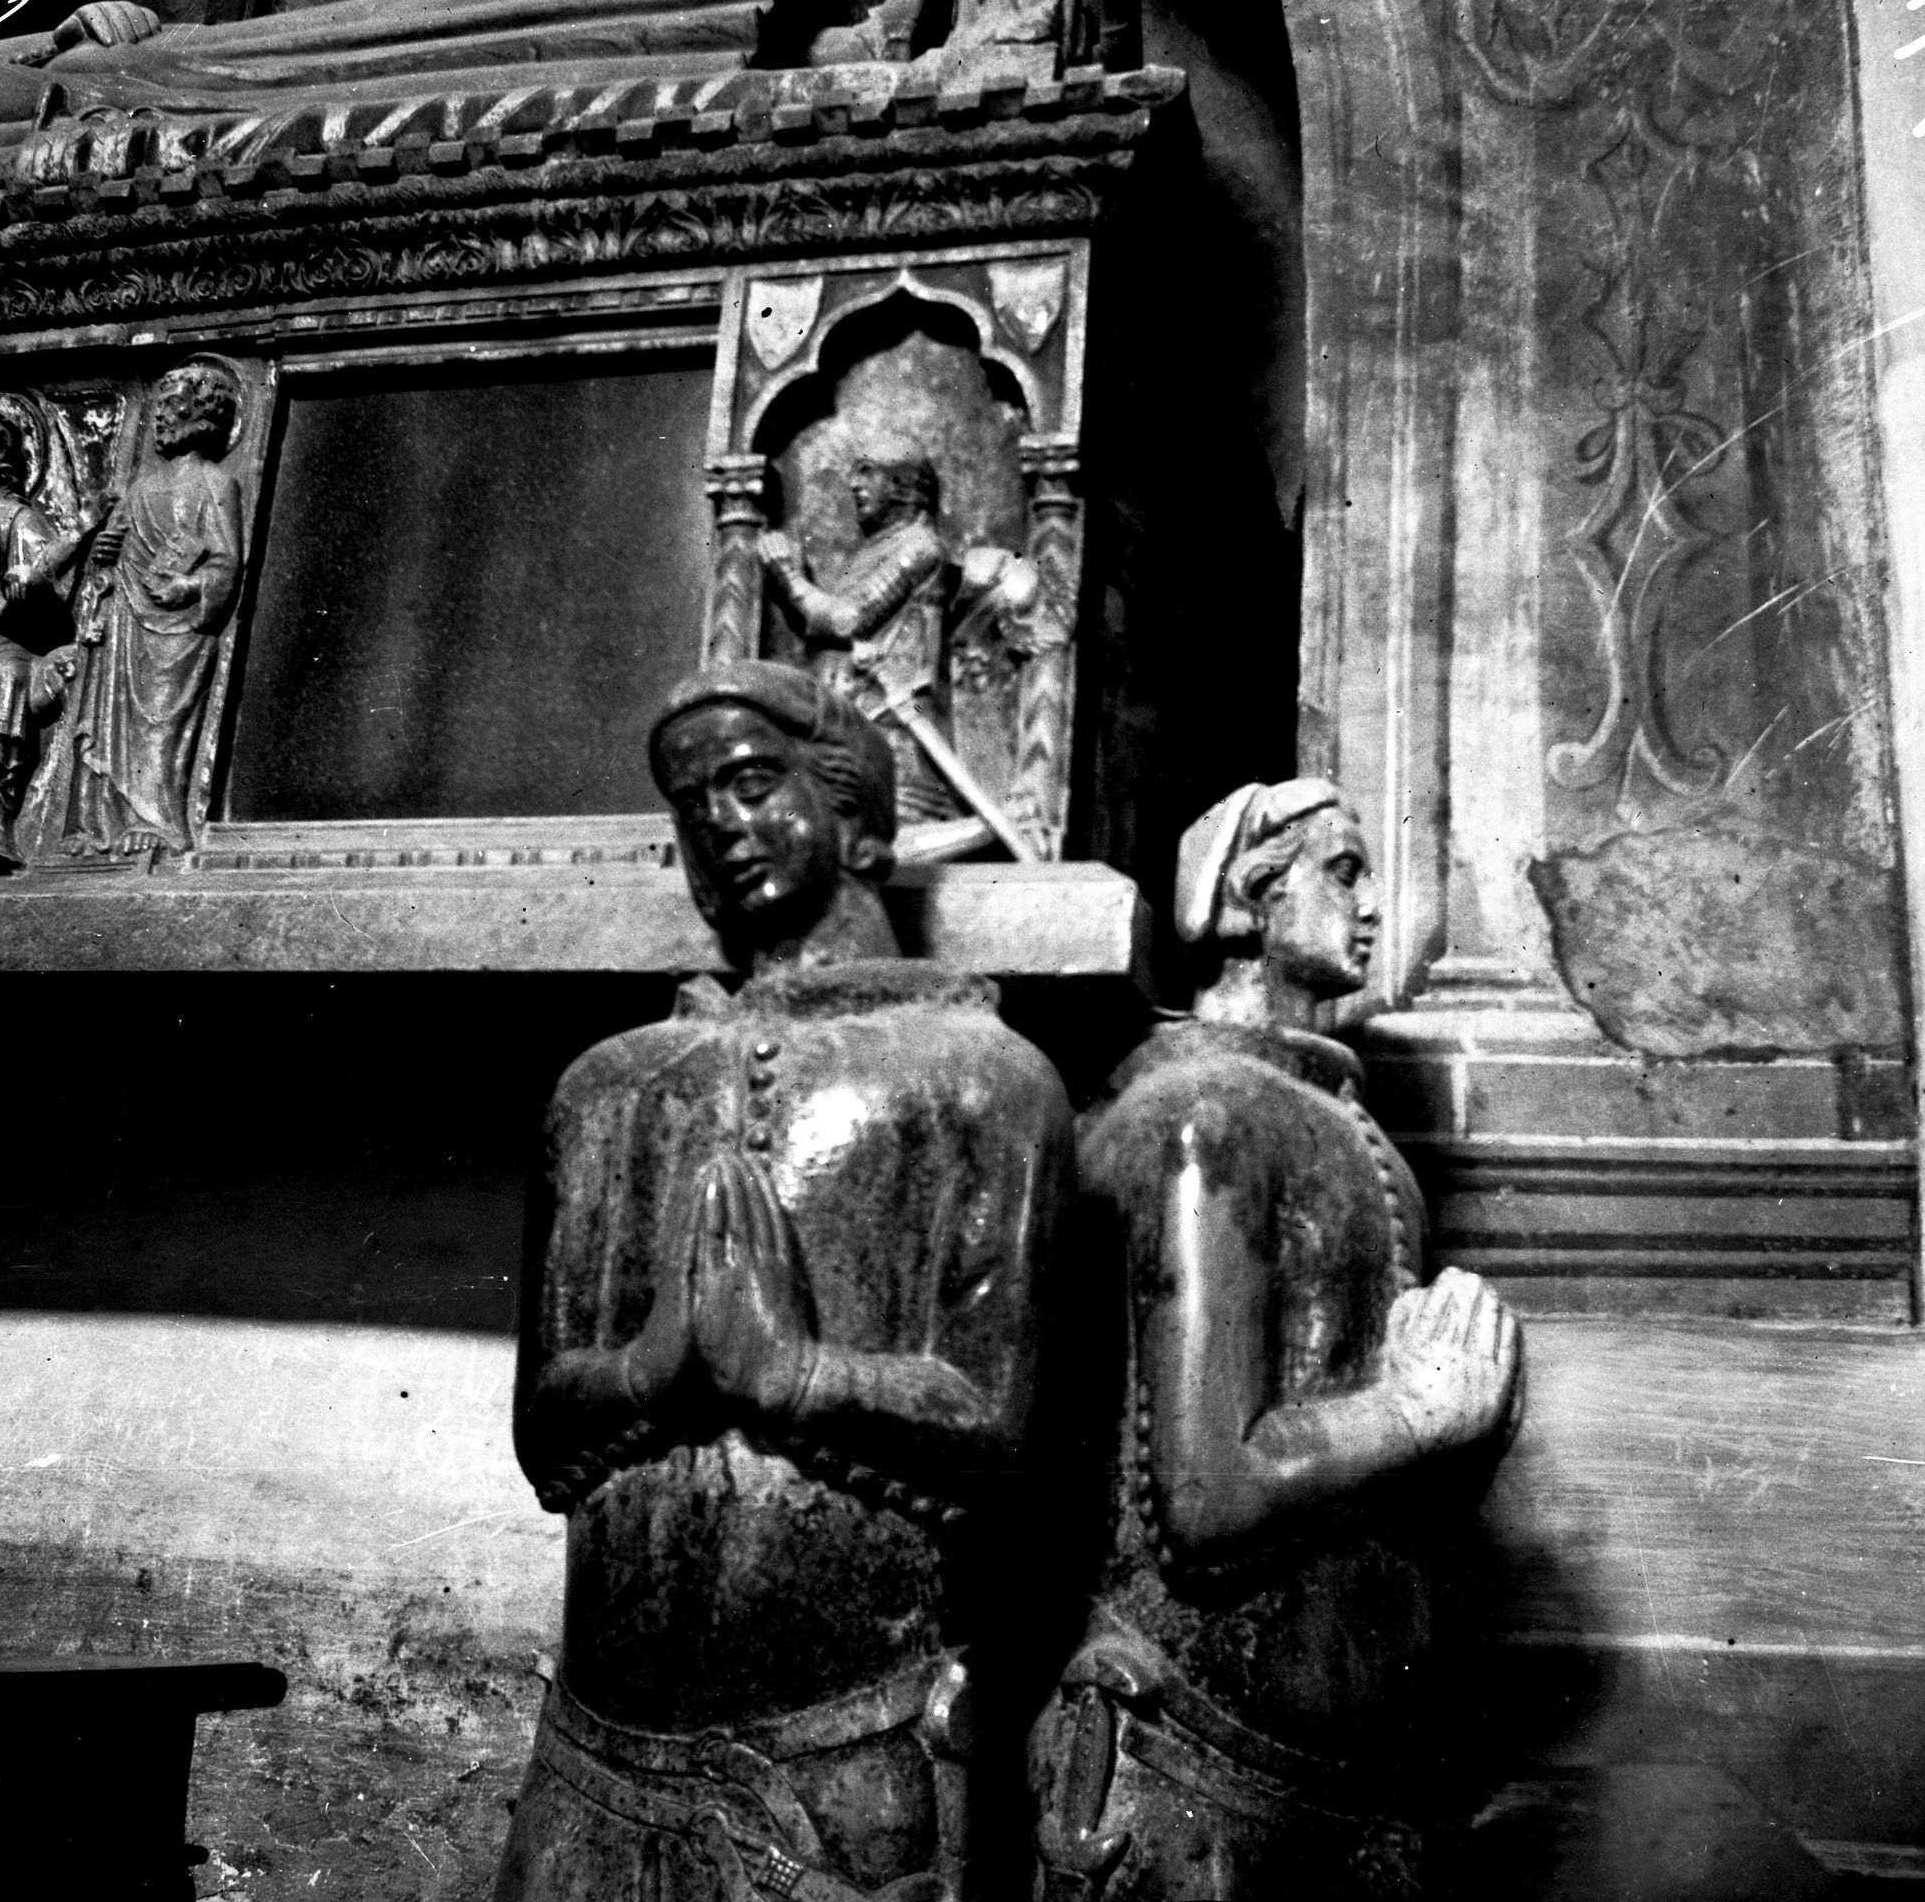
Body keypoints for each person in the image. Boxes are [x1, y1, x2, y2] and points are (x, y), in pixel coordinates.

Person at [495, 661, 1074, 1900]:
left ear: (857, 811)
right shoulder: (610, 1090)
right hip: (595, 1750)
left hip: (845, 1751)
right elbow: (544, 1430)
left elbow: (999, 1429)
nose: (718, 822)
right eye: (692, 805)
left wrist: (794, 1372)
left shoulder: (982, 1080)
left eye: (754, 783)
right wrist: (654, 1364)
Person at [1034, 780, 1524, 1900]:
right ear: (1251, 897)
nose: (1370, 906)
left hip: (1343, 1773)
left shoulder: (1346, 1137)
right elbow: (1205, 1500)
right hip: (1199, 1769)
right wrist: (1416, 1412)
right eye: (1341, 870)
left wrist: (1469, 1418)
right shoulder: (1207, 1115)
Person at [60, 361, 243, 861]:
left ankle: (156, 819)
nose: (161, 417)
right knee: (109, 717)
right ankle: (101, 821)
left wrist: (190, 585)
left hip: (178, 626)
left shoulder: (215, 482)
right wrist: (104, 557)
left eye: (171, 406)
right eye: (158, 407)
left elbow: (226, 561)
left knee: (162, 718)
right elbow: (112, 553)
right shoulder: (140, 486)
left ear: (202, 415)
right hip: (126, 617)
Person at [758, 437, 961, 826]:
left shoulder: (920, 547)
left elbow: (848, 620)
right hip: (846, 733)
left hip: (893, 740)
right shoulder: (871, 553)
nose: (854, 484)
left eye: (867, 472)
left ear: (904, 486)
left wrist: (786, 573)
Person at [0, 407, 92, 870]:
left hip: (4, 645)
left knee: (4, 676)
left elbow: (50, 595)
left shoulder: (14, 517)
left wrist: (26, 587)